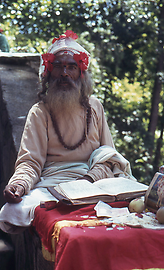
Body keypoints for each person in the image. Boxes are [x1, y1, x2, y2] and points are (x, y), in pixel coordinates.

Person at [0, 30, 135, 233]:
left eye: (71, 67)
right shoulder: (39, 112)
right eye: (59, 67)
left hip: (94, 181)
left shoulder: (95, 107)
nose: (64, 73)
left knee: (138, 201)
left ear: (81, 73)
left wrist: (87, 181)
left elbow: (108, 157)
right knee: (11, 211)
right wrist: (19, 184)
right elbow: (30, 161)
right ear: (49, 72)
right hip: (53, 184)